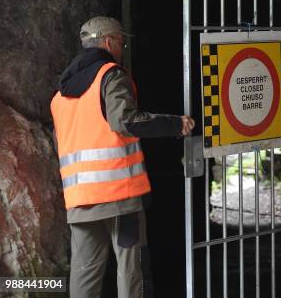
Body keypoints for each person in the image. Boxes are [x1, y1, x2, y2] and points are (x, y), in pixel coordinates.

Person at [50, 16, 195, 298]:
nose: (122, 47)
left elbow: (61, 141)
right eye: (121, 41)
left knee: (85, 272)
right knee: (132, 270)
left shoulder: (60, 94)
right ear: (108, 42)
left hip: (79, 198)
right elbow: (126, 121)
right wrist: (175, 123)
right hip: (119, 196)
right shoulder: (110, 75)